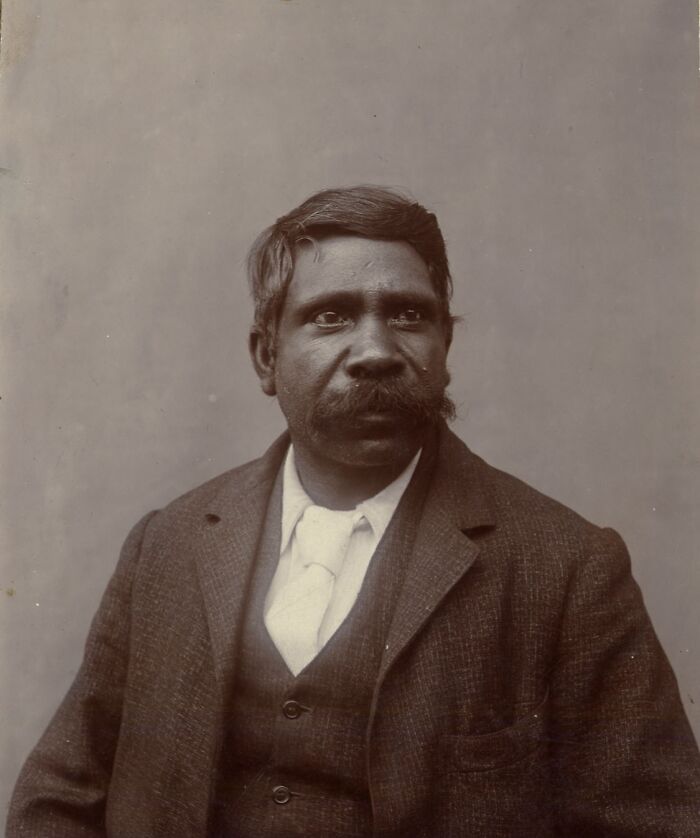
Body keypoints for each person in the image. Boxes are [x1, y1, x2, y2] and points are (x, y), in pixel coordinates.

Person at [8, 185, 700, 837]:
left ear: (445, 350)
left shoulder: (567, 568)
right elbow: (61, 798)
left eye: (408, 315)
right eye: (330, 316)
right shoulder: (169, 543)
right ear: (265, 356)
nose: (374, 351)